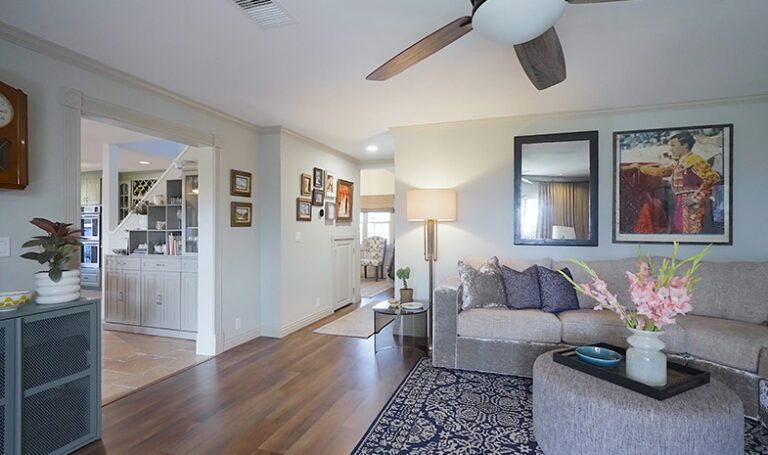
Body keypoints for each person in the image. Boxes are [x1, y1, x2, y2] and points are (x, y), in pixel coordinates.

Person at [624, 132, 721, 234]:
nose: (671, 149)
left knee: (691, 231)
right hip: (682, 200)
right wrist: (639, 167)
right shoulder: (681, 162)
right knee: (681, 228)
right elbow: (663, 171)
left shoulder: (695, 160)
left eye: (673, 145)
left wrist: (695, 197)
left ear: (685, 145)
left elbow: (713, 179)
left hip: (692, 202)